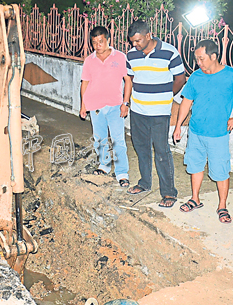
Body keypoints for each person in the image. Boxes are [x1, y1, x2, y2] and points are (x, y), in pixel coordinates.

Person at [173, 39, 233, 223]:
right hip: (196, 131)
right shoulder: (195, 76)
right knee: (195, 166)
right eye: (197, 59)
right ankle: (195, 198)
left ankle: (222, 206)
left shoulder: (231, 75)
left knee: (221, 171)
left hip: (218, 134)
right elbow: (186, 102)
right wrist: (178, 125)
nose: (199, 63)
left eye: (201, 59)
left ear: (214, 56)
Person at [126, 20, 186, 208]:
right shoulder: (131, 55)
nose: (134, 45)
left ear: (148, 35)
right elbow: (132, 77)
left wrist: (167, 96)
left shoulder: (169, 52)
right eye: (132, 42)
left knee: (161, 151)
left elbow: (180, 78)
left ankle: (169, 192)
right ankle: (145, 183)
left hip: (160, 112)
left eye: (138, 41)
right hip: (138, 110)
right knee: (141, 148)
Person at [80, 26, 132, 187]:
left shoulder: (120, 57)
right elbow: (85, 83)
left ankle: (122, 173)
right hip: (95, 106)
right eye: (94, 42)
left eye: (101, 41)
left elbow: (128, 81)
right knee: (100, 138)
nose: (98, 45)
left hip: (115, 105)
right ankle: (104, 166)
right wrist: (83, 105)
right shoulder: (89, 60)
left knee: (118, 140)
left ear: (108, 40)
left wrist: (125, 103)